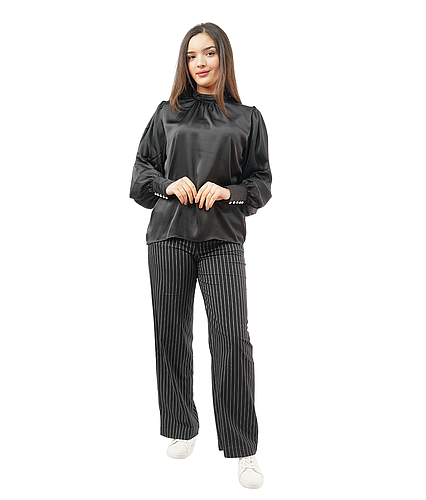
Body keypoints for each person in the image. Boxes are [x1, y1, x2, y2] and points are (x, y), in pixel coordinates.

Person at [129, 22, 272, 489]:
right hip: (169, 234)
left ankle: (243, 449)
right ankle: (180, 425)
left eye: (209, 53)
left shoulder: (248, 118)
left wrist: (227, 191)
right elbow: (141, 176)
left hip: (222, 238)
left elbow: (260, 184)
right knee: (171, 331)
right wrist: (168, 184)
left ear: (223, 57)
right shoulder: (166, 113)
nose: (200, 63)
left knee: (232, 340)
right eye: (192, 56)